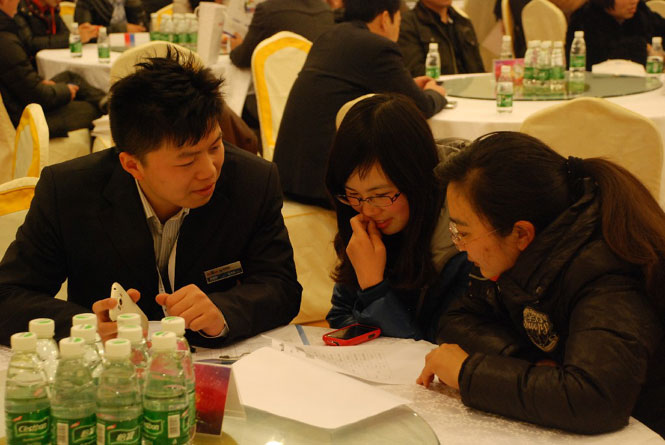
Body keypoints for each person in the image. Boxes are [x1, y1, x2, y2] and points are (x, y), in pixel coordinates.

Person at [0, 50, 302, 347]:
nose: (209, 171)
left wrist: (223, 311)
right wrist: (86, 326)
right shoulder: (69, 190)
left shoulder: (252, 181)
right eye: (187, 161)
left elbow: (281, 286)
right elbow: (8, 296)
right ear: (132, 165)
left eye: (215, 146)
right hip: (112, 367)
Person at [417, 131, 665, 436]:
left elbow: (595, 400)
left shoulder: (607, 272)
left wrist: (468, 374)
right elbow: (457, 318)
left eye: (464, 233)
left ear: (521, 234)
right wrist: (526, 362)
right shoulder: (518, 255)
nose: (459, 246)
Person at [274, 0, 447, 207]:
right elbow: (421, 107)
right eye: (399, 22)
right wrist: (435, 93)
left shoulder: (330, 36)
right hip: (327, 186)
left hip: (289, 177)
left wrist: (408, 86)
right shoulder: (378, 46)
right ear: (385, 19)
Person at [325, 94, 470, 341]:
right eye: (353, 195)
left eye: (380, 195)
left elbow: (432, 349)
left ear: (416, 180)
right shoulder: (361, 217)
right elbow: (340, 315)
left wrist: (373, 288)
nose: (368, 210)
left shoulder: (462, 239)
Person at [0, 0, 105, 137]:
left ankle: (109, 103)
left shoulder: (8, 33)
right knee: (92, 109)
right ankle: (113, 110)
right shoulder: (6, 41)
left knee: (71, 77)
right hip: (25, 120)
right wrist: (65, 91)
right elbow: (38, 96)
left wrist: (42, 83)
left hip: (26, 97)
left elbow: (23, 81)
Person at [229, 0, 335, 69]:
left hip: (278, 87)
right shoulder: (326, 10)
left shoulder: (268, 10)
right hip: (314, 85)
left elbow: (242, 59)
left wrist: (236, 47)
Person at [566, 0, 665, 70]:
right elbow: (596, 60)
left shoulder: (641, 13)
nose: (634, 1)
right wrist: (644, 49)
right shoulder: (584, 19)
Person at [398, 0, 485, 76]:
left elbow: (477, 68)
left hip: (471, 87)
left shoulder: (463, 21)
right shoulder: (408, 23)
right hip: (435, 88)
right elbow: (415, 72)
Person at [14, 0, 98, 57]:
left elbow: (64, 34)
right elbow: (30, 43)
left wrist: (80, 34)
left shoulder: (52, 8)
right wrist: (73, 38)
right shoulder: (20, 8)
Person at [74, 0, 147, 33]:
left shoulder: (134, 2)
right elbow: (85, 32)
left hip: (132, 44)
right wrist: (122, 29)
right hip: (99, 48)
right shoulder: (86, 2)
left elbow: (143, 28)